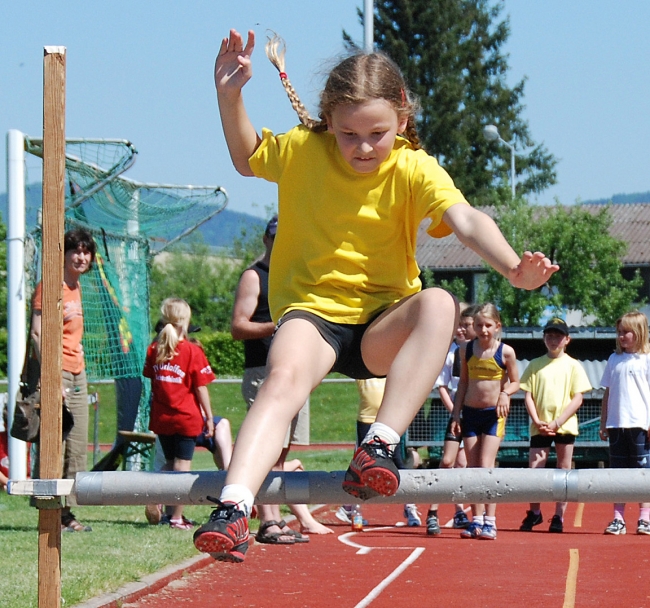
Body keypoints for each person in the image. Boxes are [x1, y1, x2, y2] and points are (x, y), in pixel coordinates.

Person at [193, 29, 558, 563]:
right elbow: (248, 158)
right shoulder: (302, 150)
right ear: (328, 121)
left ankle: (378, 446)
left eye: (377, 134)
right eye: (348, 135)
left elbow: (465, 219)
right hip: (313, 316)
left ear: (403, 120)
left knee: (438, 303)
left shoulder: (414, 166)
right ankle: (232, 507)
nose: (363, 148)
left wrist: (511, 267)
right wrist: (231, 96)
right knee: (282, 379)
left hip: (383, 325)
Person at [230, 216, 332, 544]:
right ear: (266, 239)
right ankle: (269, 521)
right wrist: (280, 327)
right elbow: (238, 326)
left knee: (281, 453)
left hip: (293, 374)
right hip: (264, 372)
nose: (279, 242)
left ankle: (273, 518)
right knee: (267, 448)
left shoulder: (295, 276)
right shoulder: (254, 275)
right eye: (275, 237)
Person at [31, 228, 96, 532]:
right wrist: (51, 378)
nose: (81, 257)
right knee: (56, 442)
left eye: (86, 252)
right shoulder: (51, 286)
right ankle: (52, 510)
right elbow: (37, 333)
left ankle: (67, 509)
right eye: (76, 251)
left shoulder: (77, 287)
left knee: (78, 443)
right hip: (57, 372)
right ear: (65, 255)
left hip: (78, 372)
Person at [143, 298, 216, 530]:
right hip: (186, 417)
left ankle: (155, 496)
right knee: (182, 467)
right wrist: (209, 416)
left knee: (170, 463)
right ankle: (176, 517)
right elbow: (200, 387)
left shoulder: (155, 349)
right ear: (185, 322)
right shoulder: (191, 351)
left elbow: (152, 380)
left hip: (162, 417)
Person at [451, 303, 519, 540]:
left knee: (486, 466)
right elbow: (462, 384)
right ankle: (476, 520)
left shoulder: (506, 352)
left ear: (497, 326)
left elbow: (515, 382)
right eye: (479, 325)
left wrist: (504, 394)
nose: (483, 330)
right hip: (470, 413)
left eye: (488, 325)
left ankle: (491, 521)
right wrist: (455, 413)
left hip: (493, 415)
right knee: (472, 468)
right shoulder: (466, 350)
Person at [518, 317, 592, 533]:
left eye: (558, 336)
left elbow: (577, 398)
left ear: (567, 339)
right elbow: (528, 396)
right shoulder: (534, 364)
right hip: (540, 427)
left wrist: (558, 421)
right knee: (535, 471)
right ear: (544, 338)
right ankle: (535, 512)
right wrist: (537, 420)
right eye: (549, 335)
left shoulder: (573, 365)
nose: (553, 340)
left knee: (564, 470)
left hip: (564, 427)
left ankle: (559, 515)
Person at [425, 304, 478, 536]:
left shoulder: (480, 353)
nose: (460, 330)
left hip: (475, 414)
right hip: (458, 414)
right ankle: (433, 512)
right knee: (447, 461)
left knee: (464, 465)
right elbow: (442, 386)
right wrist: (454, 411)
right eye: (457, 325)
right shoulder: (450, 354)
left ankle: (460, 511)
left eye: (465, 326)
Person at [599, 311, 650, 536]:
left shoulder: (647, 360)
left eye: (626, 332)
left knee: (642, 472)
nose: (621, 337)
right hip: (616, 424)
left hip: (640, 424)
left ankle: (644, 518)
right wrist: (604, 422)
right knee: (617, 472)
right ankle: (618, 518)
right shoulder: (613, 359)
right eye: (619, 332)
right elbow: (607, 393)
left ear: (638, 334)